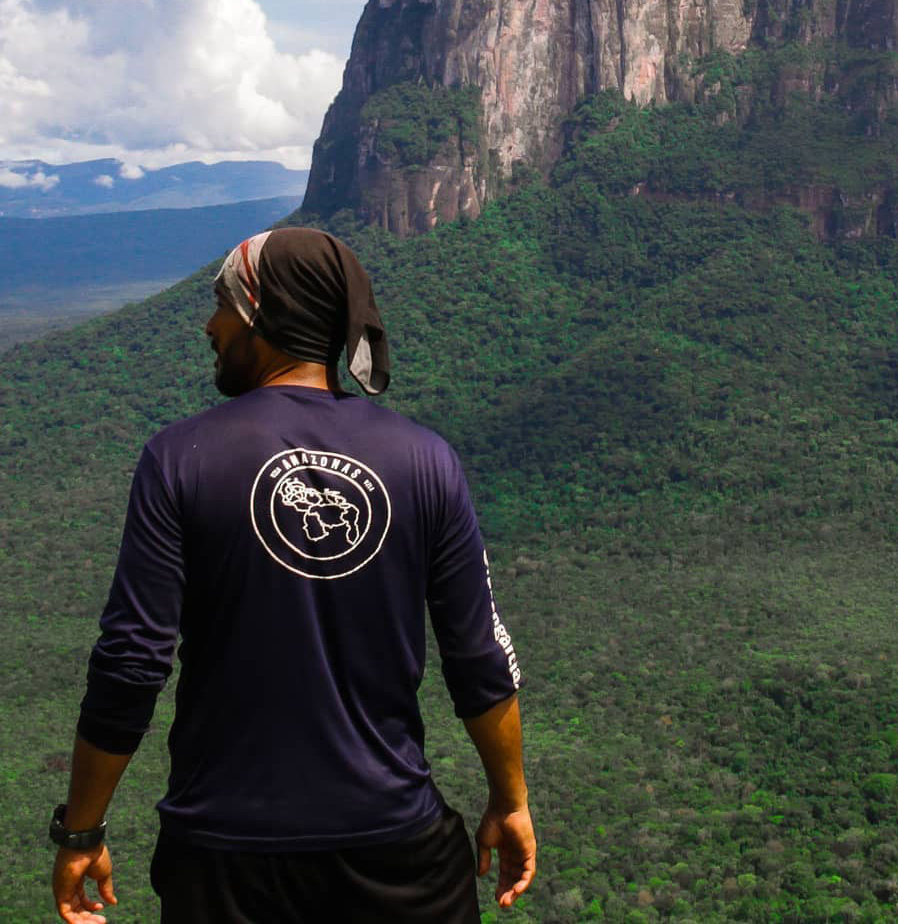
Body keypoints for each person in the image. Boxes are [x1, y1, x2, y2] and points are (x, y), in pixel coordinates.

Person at [50, 227, 536, 924]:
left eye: (222, 305)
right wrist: (510, 799)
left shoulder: (179, 459)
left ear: (261, 315)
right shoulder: (426, 461)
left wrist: (82, 830)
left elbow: (131, 664)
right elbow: (480, 657)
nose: (207, 326)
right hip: (398, 858)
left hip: (225, 862)